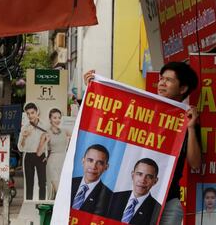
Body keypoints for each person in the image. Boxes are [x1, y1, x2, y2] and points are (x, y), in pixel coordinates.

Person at [84, 62, 201, 225]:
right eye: (161, 79)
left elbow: (195, 163)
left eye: (169, 80)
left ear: (183, 89)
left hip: (168, 202)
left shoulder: (187, 121)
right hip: (132, 198)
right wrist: (95, 89)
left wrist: (191, 128)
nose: (162, 83)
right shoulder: (144, 111)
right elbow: (110, 121)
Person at [107, 158, 161, 224]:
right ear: (133, 175)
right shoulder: (113, 197)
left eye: (149, 177)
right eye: (139, 174)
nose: (142, 180)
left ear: (155, 181)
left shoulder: (158, 210)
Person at [37, 108, 71, 199]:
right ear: (50, 119)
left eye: (59, 118)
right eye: (55, 118)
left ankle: (57, 212)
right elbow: (39, 153)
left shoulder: (65, 131)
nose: (57, 120)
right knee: (60, 192)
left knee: (65, 191)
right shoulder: (45, 133)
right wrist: (46, 141)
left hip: (64, 162)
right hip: (53, 164)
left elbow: (76, 139)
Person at [70, 144, 112, 217]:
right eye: (90, 160)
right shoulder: (68, 182)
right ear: (83, 161)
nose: (93, 167)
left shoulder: (109, 197)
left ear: (106, 167)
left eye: (99, 163)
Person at [17, 102, 47, 200]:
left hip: (41, 156)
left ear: (37, 112)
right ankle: (29, 205)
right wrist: (24, 137)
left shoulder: (44, 126)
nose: (30, 115)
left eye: (32, 112)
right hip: (28, 156)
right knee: (29, 183)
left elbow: (49, 142)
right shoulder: (24, 127)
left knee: (42, 183)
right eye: (28, 114)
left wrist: (47, 156)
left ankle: (42, 204)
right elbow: (20, 148)